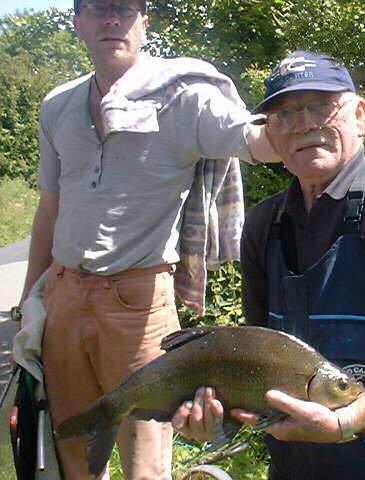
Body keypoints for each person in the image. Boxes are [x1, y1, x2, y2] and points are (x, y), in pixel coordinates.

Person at [173, 51, 365, 480]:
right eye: (286, 113)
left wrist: (344, 423)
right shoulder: (264, 224)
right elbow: (258, 359)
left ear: (360, 116)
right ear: (270, 137)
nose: (305, 123)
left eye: (321, 106)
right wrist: (212, 418)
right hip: (295, 464)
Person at [16, 1, 279, 479]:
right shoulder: (58, 105)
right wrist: (27, 303)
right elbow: (50, 208)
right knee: (69, 445)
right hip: (64, 297)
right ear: (77, 22)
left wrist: (298, 124)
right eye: (97, 8)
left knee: (145, 457)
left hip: (137, 303)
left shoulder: (185, 97)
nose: (111, 19)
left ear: (144, 22)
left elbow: (251, 137)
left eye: (125, 8)